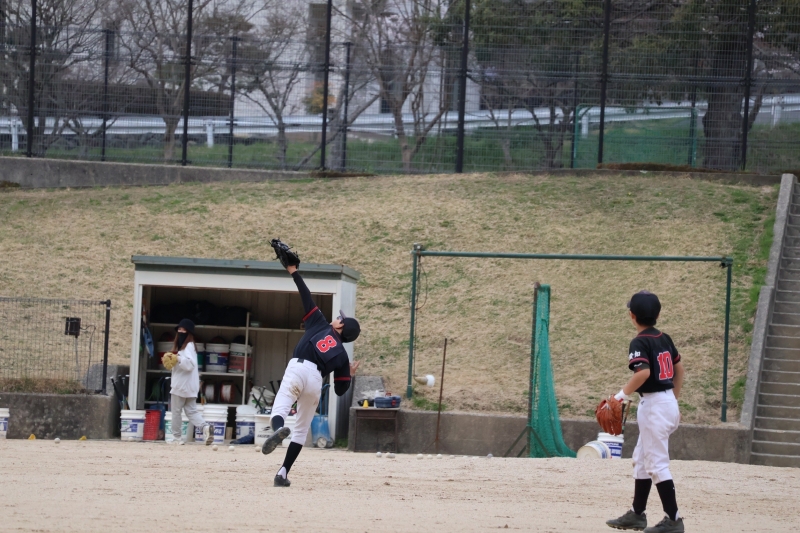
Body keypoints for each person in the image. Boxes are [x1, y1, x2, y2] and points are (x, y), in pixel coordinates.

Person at [262, 264, 361, 487]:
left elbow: (305, 295)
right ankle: (282, 473)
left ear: (341, 325)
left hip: (298, 368)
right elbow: (340, 390)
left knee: (280, 408)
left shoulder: (319, 323)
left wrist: (293, 271)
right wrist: (349, 374)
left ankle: (278, 430)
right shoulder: (342, 356)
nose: (337, 318)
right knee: (301, 430)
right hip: (316, 381)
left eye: (340, 318)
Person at [606, 291, 685, 533]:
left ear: (632, 315)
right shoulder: (664, 338)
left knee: (657, 465)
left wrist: (619, 396)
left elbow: (643, 373)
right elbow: (679, 369)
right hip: (666, 402)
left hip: (654, 407)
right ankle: (637, 514)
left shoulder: (639, 342)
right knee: (641, 459)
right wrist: (672, 400)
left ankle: (673, 519)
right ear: (657, 315)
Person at [169, 318, 215, 446]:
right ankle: (205, 427)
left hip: (180, 385)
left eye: (183, 330)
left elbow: (189, 365)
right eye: (179, 329)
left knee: (176, 412)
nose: (180, 331)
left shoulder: (188, 346)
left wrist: (177, 358)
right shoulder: (189, 346)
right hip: (190, 386)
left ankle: (177, 438)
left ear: (189, 332)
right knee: (191, 411)